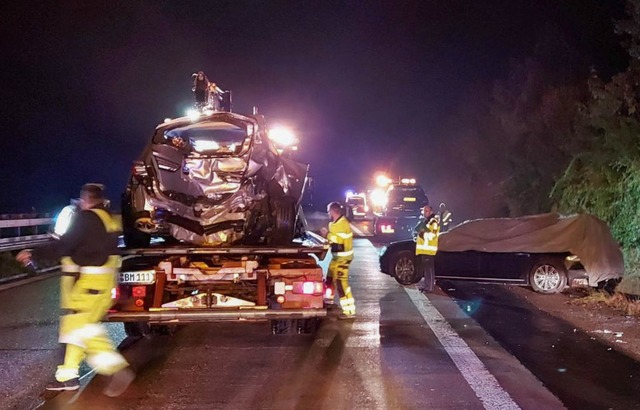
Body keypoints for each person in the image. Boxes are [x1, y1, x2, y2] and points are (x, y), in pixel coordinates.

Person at [16, 184, 135, 396]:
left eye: (81, 200)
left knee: (83, 329)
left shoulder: (87, 218)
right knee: (74, 327)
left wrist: (32, 254)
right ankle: (67, 376)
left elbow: (65, 246)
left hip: (90, 284)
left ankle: (117, 369)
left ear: (86, 199)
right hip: (105, 283)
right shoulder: (110, 218)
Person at [321, 202, 356, 319]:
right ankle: (329, 301)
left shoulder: (342, 224)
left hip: (343, 259)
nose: (327, 213)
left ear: (332, 211)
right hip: (336, 257)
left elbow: (338, 240)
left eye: (328, 211)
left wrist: (327, 235)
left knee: (341, 284)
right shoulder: (334, 223)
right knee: (329, 279)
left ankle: (349, 311)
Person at [413, 205, 440, 292]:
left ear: (431, 211)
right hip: (425, 249)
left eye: (427, 211)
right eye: (424, 211)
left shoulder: (433, 222)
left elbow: (432, 235)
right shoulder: (427, 222)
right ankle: (426, 286)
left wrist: (422, 234)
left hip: (429, 250)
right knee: (426, 269)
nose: (425, 213)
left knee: (429, 269)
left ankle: (430, 287)